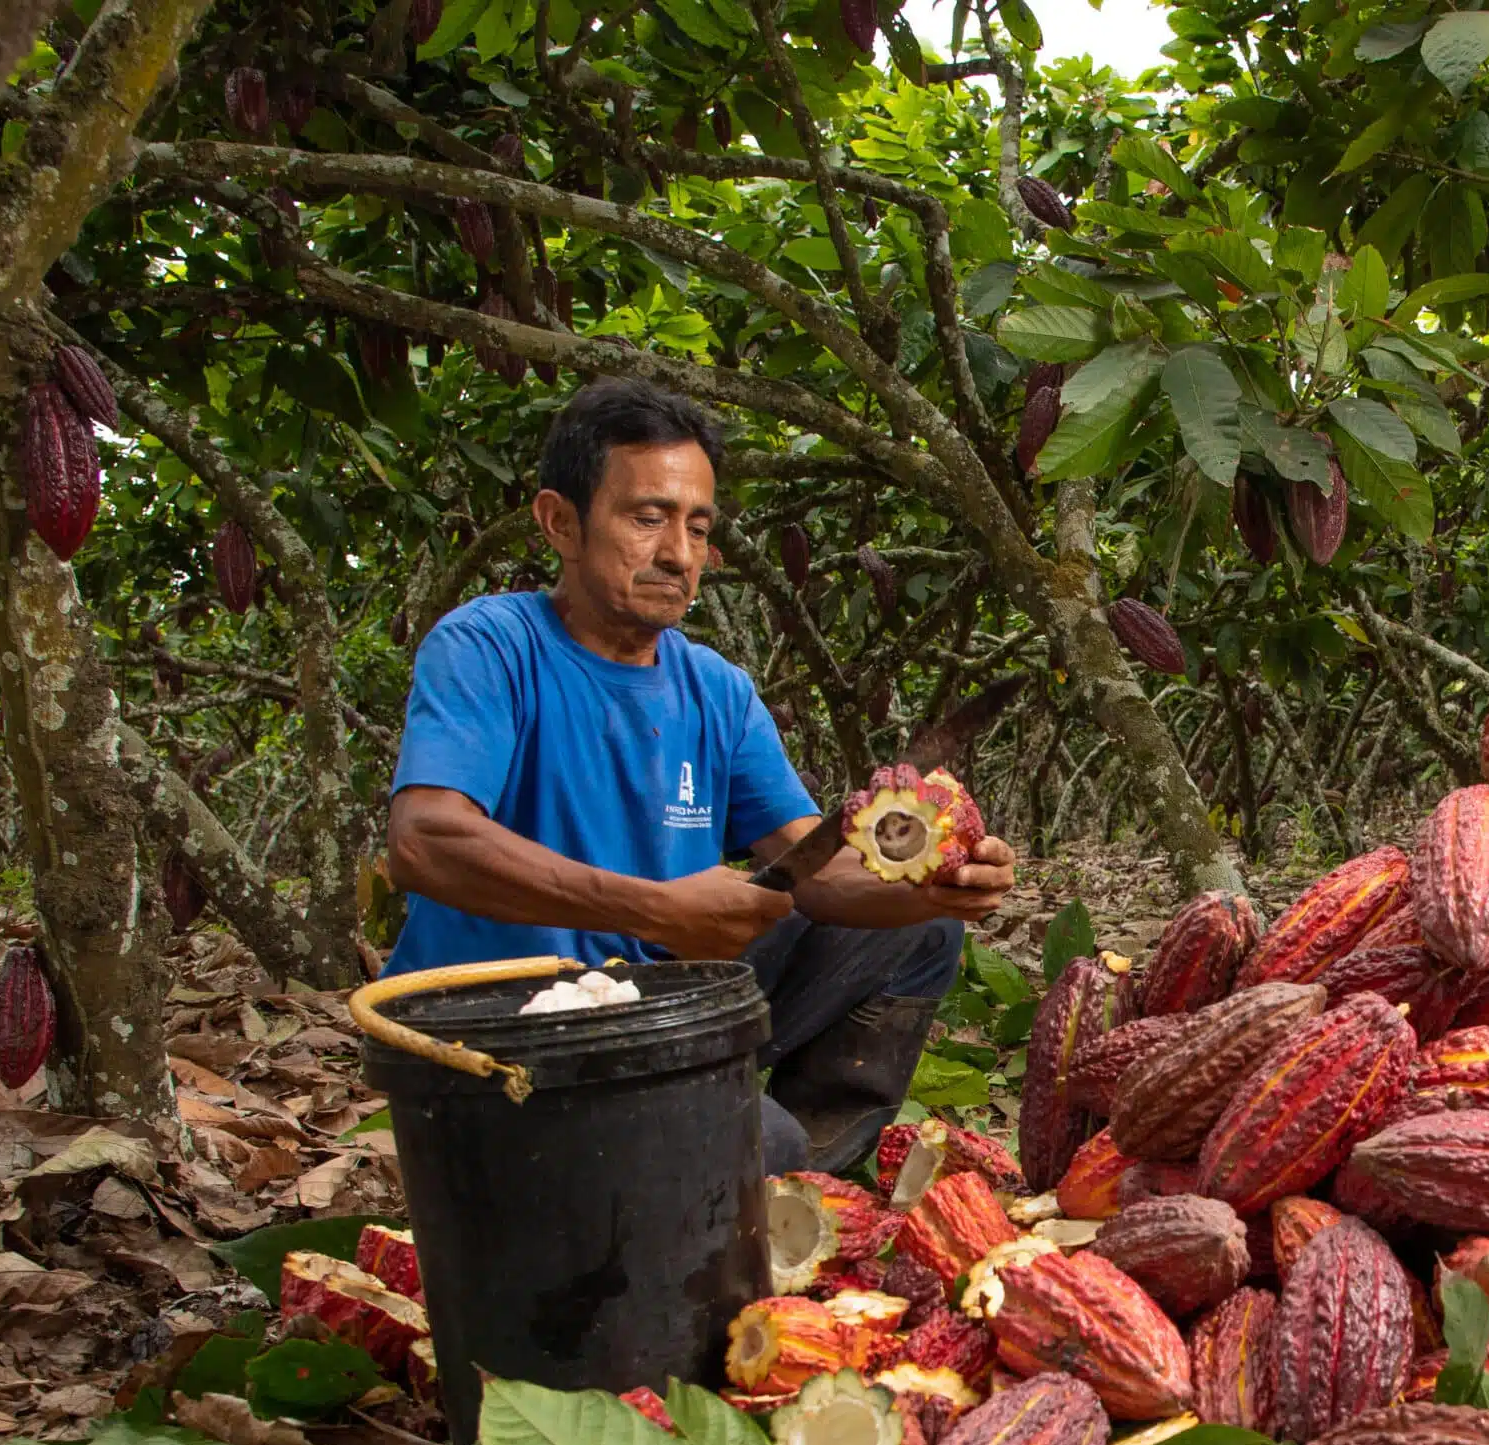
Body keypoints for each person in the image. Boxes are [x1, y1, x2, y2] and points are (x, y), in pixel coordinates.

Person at [381, 377, 1017, 1175]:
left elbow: (812, 871)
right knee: (755, 1148)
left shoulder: (715, 688)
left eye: (698, 526)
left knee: (918, 933)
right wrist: (658, 910)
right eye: (647, 518)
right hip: (499, 1022)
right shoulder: (488, 646)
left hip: (656, 1004)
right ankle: (748, 1162)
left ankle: (809, 1191)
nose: (678, 554)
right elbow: (424, 841)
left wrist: (936, 887)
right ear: (560, 522)